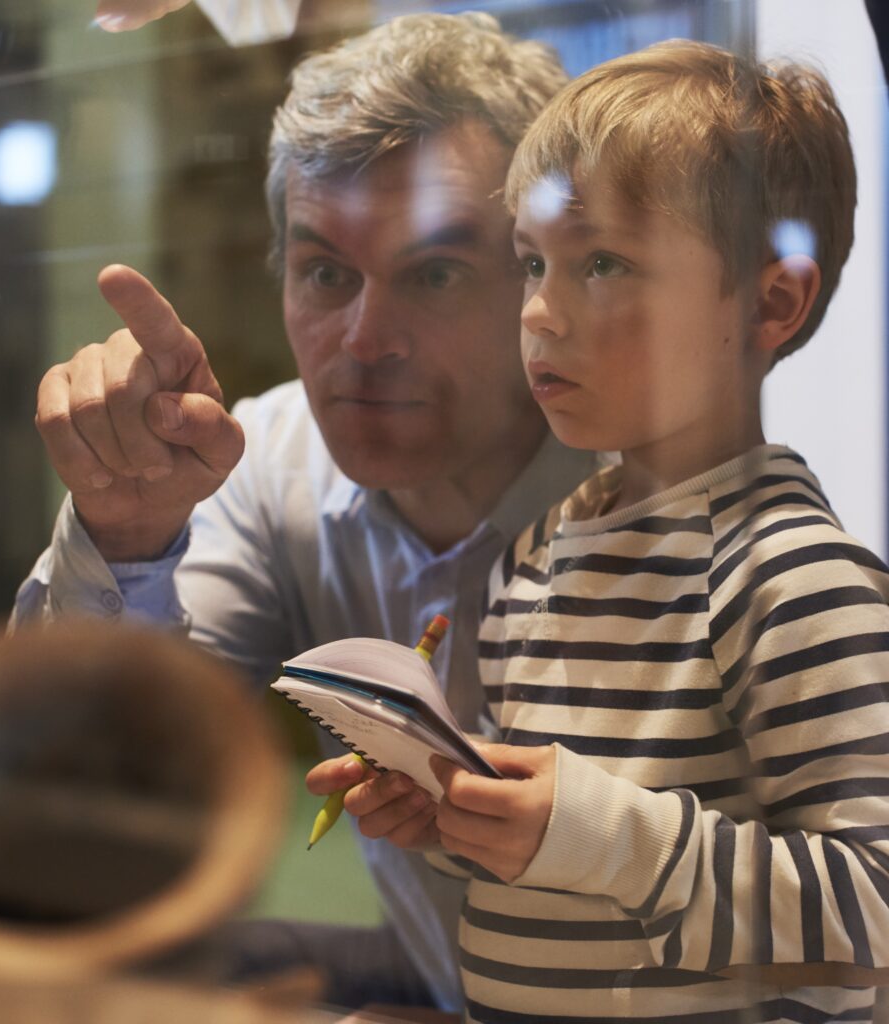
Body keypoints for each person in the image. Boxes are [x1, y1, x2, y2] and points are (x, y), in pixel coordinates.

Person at [12, 12, 596, 1012]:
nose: (364, 342)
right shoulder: (268, 456)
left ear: (538, 283)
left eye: (436, 273)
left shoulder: (653, 482)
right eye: (326, 272)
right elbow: (92, 789)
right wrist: (126, 537)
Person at [343, 39, 889, 1023]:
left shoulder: (792, 577)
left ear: (771, 301)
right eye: (529, 263)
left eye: (601, 262)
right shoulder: (534, 561)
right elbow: (577, 890)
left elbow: (874, 905)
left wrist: (595, 835)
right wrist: (458, 816)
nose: (540, 315)